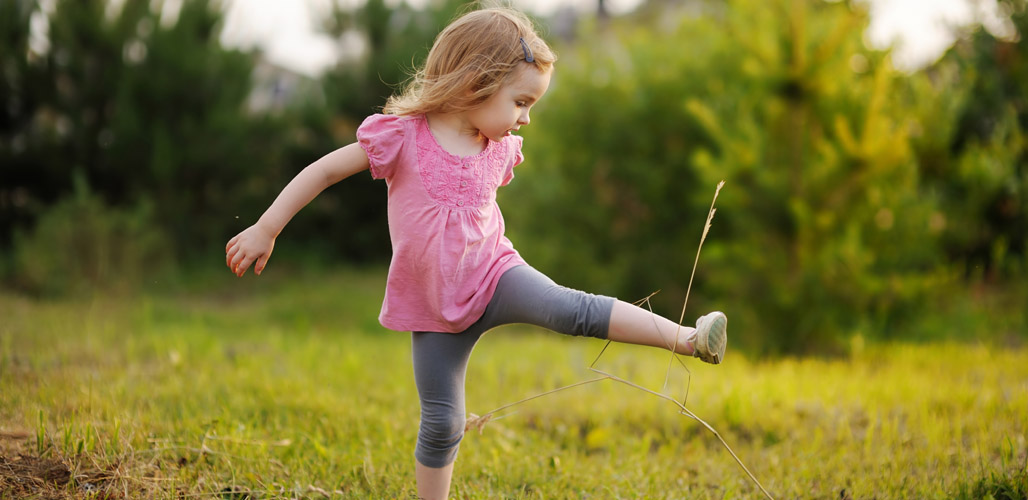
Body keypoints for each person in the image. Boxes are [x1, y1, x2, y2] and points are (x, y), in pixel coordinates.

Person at [225, 6, 727, 499]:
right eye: (521, 102)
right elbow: (324, 171)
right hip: (434, 306)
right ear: (474, 83)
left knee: (571, 309)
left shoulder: (499, 147)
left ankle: (688, 338)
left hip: (496, 276)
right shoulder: (401, 135)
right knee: (442, 423)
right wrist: (266, 228)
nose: (526, 118)